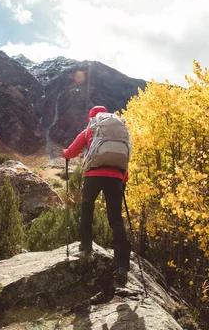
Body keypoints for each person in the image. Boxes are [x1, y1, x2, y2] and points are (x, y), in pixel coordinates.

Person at [62, 106, 131, 287]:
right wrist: (122, 179)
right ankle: (122, 265)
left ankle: (86, 246)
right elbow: (124, 159)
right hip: (116, 178)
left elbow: (71, 152)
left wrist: (64, 153)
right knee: (116, 220)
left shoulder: (90, 130)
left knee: (87, 209)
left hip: (93, 176)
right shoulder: (118, 132)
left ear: (91, 118)